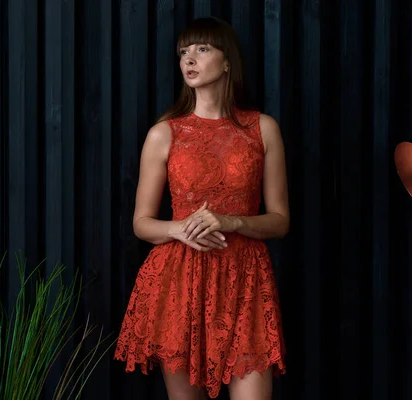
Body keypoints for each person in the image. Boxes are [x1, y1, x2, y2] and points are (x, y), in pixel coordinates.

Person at [114, 16, 289, 400]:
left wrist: (232, 220)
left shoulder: (262, 128)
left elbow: (280, 221)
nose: (189, 59)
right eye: (183, 52)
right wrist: (178, 228)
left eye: (202, 49)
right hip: (178, 281)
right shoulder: (165, 132)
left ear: (228, 62)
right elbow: (142, 223)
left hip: (245, 281)